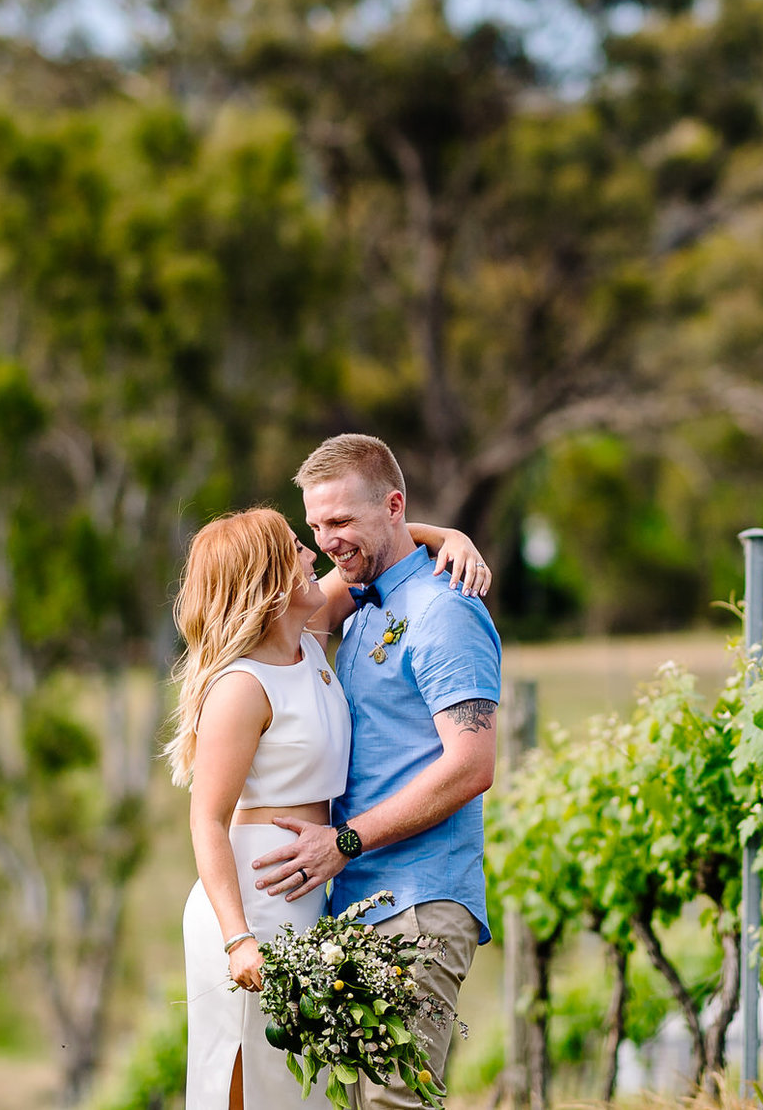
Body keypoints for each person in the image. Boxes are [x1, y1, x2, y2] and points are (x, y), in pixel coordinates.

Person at [175, 504, 492, 1110]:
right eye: (296, 546)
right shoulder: (243, 686)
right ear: (268, 579)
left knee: (301, 1088)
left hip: (307, 891)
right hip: (253, 898)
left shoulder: (308, 640)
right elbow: (206, 819)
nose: (314, 554)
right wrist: (237, 937)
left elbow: (383, 547)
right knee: (246, 1068)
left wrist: (449, 535)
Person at [252, 435, 504, 1110]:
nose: (327, 539)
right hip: (362, 907)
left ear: (392, 504)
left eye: (340, 521)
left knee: (397, 1103)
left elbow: (472, 764)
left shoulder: (445, 611)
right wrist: (435, 530)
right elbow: (283, 601)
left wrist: (344, 841)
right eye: (316, 524)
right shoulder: (368, 602)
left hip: (418, 903)